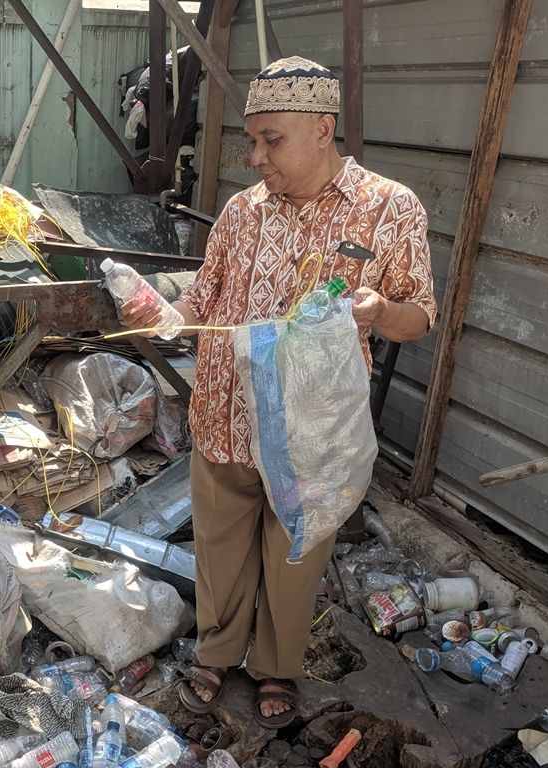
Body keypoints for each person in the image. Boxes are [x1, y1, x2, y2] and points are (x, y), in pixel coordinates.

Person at [120, 56, 436, 728]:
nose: (256, 157)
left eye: (272, 140)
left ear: (323, 130)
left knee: (295, 562)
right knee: (221, 548)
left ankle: (276, 668)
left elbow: (421, 314)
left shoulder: (389, 208)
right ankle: (217, 651)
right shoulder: (241, 212)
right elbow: (199, 301)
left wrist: (379, 312)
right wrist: (159, 313)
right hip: (223, 416)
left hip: (312, 438)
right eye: (251, 141)